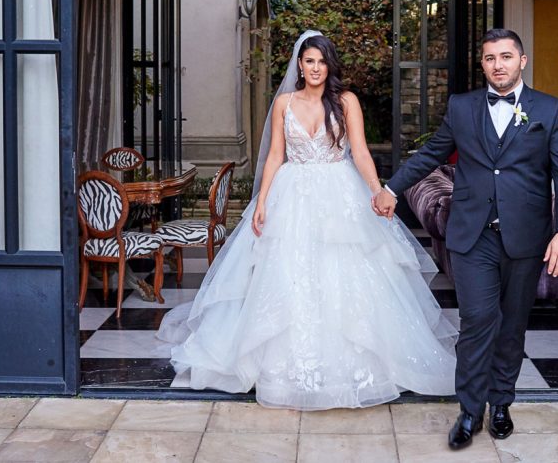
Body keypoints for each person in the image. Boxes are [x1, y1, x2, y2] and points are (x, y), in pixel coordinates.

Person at [156, 30, 456, 410]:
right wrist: (262, 200)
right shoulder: (284, 103)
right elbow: (275, 156)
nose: (315, 68)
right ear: (300, 63)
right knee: (287, 273)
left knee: (343, 273)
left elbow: (361, 152)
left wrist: (377, 190)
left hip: (340, 192)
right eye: (309, 61)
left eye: (322, 61)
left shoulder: (346, 101)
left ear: (330, 65)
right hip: (291, 194)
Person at [373, 28, 558, 450]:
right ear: (482, 64)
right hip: (471, 235)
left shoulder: (550, 109)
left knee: (512, 327)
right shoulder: (462, 107)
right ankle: (470, 410)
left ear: (522, 61)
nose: (498, 64)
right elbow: (432, 153)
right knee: (476, 323)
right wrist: (391, 189)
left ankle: (501, 403)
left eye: (506, 56)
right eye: (489, 58)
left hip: (526, 237)